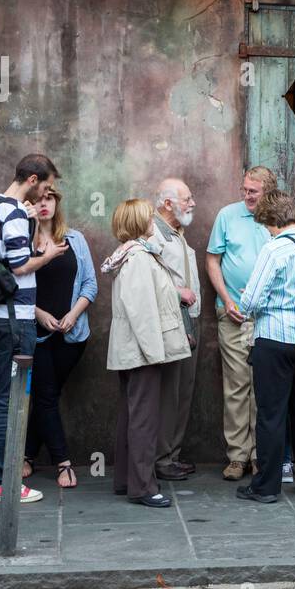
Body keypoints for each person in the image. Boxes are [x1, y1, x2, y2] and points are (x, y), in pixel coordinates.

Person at [0, 154, 65, 505]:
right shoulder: (11, 212)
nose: (45, 195)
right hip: (12, 321)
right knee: (7, 401)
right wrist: (49, 254)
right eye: (45, 186)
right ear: (32, 179)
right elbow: (20, 265)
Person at [235, 191, 295, 503]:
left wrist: (253, 301)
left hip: (276, 340)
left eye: (266, 224)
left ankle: (266, 486)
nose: (266, 230)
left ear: (272, 222)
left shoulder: (274, 250)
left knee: (272, 414)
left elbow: (250, 300)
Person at [104, 198, 189, 508]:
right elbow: (142, 312)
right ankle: (142, 486)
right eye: (148, 216)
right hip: (143, 351)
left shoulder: (135, 254)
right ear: (140, 222)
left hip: (134, 350)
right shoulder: (139, 258)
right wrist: (155, 354)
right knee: (144, 419)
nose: (154, 219)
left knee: (132, 415)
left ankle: (127, 480)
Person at [23, 189, 97, 489]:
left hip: (72, 334)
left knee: (47, 397)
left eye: (49, 198)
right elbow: (13, 285)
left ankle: (27, 454)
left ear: (57, 203)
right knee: (47, 395)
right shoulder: (23, 242)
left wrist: (74, 314)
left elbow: (90, 284)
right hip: (37, 333)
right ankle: (63, 462)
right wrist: (38, 313)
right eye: (38, 199)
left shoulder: (75, 240)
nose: (44, 204)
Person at [206, 166, 274, 481]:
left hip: (267, 317)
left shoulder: (276, 221)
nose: (246, 196)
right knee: (236, 386)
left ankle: (261, 454)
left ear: (268, 193)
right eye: (244, 189)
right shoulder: (227, 216)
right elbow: (212, 260)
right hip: (231, 313)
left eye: (252, 191)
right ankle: (237, 456)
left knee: (263, 387)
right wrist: (227, 299)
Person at [152, 178, 201, 481]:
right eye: (187, 199)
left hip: (190, 319)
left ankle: (172, 455)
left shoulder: (177, 232)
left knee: (183, 392)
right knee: (169, 394)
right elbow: (149, 276)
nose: (192, 203)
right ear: (168, 203)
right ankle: (161, 458)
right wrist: (175, 292)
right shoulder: (152, 232)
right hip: (171, 322)